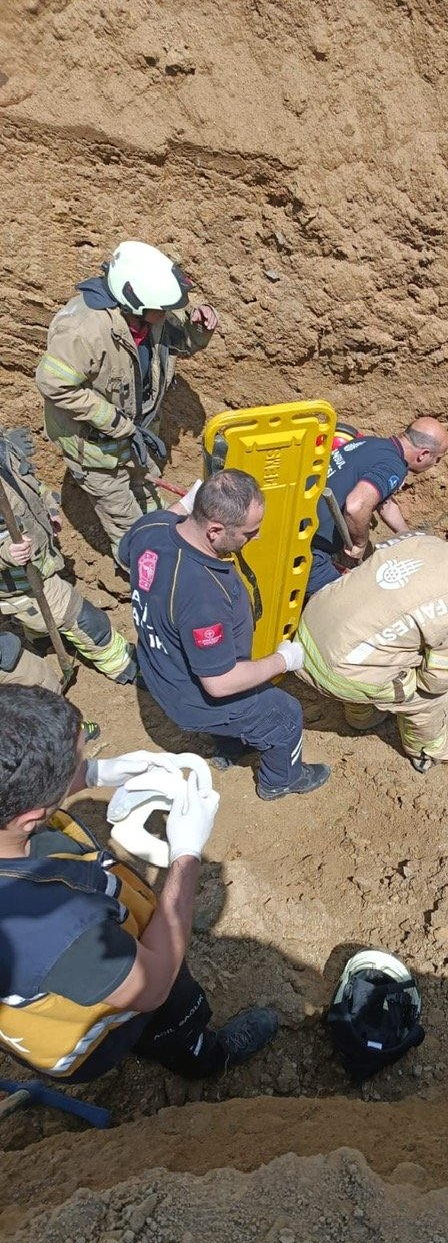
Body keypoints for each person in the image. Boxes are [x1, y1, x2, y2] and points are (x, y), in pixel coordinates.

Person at [0, 685, 277, 1082]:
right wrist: (186, 853)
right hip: (88, 1035)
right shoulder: (47, 930)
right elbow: (153, 983)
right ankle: (202, 1056)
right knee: (171, 1014)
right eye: (78, 763)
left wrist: (95, 774)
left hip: (65, 983)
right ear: (31, 817)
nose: (86, 763)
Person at [119, 469, 330, 801]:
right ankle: (281, 780)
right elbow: (220, 683)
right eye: (250, 532)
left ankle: (229, 747)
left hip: (163, 672)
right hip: (192, 699)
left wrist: (185, 502)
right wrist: (282, 660)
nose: (257, 538)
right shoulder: (201, 593)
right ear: (215, 530)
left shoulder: (152, 527)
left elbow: (130, 547)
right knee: (283, 713)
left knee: (237, 703)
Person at [36, 240, 218, 560]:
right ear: (133, 302)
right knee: (129, 527)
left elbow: (182, 343)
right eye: (159, 309)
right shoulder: (83, 330)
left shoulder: (148, 314)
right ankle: (142, 570)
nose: (165, 315)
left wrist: (198, 326)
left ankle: (154, 528)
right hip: (94, 448)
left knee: (145, 490)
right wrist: (115, 422)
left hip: (134, 436)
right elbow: (53, 384)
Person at [297, 520, 448, 772]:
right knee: (429, 697)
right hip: (337, 671)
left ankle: (362, 716)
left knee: (380, 639)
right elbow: (438, 681)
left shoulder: (416, 539)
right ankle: (429, 749)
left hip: (309, 627)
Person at [0, 428, 136, 683]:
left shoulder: (3, 447)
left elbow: (31, 486)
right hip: (19, 583)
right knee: (85, 619)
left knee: (41, 620)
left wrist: (50, 506)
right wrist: (6, 554)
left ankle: (38, 638)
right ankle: (124, 665)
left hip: (39, 562)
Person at [307, 418, 448, 597]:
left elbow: (385, 504)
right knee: (351, 602)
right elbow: (356, 506)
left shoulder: (372, 443)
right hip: (307, 551)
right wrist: (360, 542)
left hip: (298, 525)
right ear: (423, 454)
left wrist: (408, 536)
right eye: (437, 459)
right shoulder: (393, 466)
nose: (436, 464)